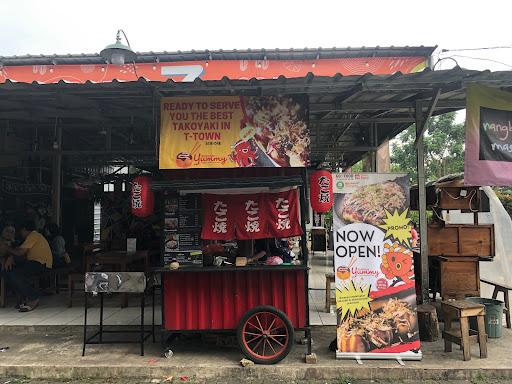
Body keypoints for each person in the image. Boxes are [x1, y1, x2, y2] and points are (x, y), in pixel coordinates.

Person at [2, 220, 53, 312]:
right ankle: (23, 298)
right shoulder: (32, 237)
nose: (20, 234)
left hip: (40, 264)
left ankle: (33, 297)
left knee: (15, 274)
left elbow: (20, 252)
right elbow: (19, 253)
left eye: (19, 231)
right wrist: (11, 256)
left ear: (24, 229)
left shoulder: (33, 235)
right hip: (34, 263)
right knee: (7, 273)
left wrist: (7, 249)